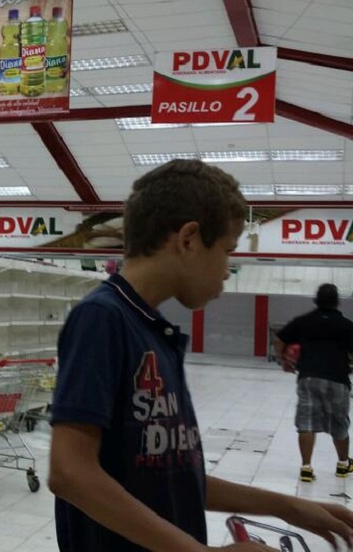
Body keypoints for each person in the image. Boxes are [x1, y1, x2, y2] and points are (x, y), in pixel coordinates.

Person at [48, 159, 353, 551]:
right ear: (189, 239)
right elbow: (70, 472)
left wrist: (286, 505)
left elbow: (177, 477)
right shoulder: (103, 318)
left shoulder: (155, 332)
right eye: (228, 251)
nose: (228, 270)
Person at [275, 283, 353, 483]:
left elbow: (279, 338)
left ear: (316, 300)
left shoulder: (305, 321)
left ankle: (306, 468)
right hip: (337, 379)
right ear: (337, 301)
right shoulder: (346, 324)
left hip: (308, 377)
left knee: (306, 423)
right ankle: (343, 465)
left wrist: (284, 360)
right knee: (339, 423)